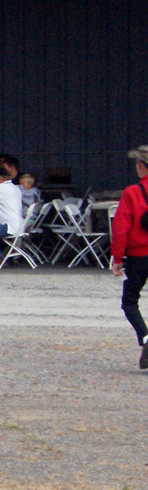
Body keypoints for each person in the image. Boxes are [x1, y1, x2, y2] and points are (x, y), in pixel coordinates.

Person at [112, 145, 148, 369]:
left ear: (141, 165)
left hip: (140, 254)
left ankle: (145, 337)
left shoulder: (132, 192)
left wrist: (117, 258)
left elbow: (121, 228)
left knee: (129, 302)